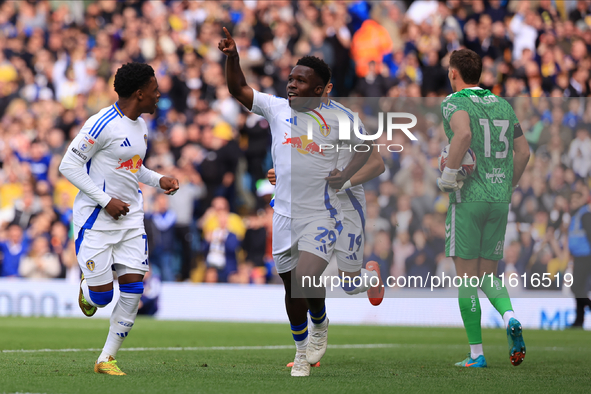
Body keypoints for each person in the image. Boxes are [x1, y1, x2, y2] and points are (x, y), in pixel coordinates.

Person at [219, 27, 373, 377]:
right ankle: (315, 328)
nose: (291, 85)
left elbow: (368, 153)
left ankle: (302, 355)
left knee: (304, 278)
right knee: (293, 288)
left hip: (322, 213)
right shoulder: (276, 109)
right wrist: (233, 57)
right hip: (284, 213)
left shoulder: (343, 119)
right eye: (290, 79)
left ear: (320, 90)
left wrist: (345, 174)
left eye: (300, 81)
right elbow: (238, 89)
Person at [58, 62, 179, 375]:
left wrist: (158, 179)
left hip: (130, 218)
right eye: (154, 91)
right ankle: (88, 288)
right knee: (101, 298)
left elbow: (132, 166)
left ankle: (106, 358)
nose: (158, 95)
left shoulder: (141, 125)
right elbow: (68, 166)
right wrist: (105, 200)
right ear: (139, 94)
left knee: (134, 289)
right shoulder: (101, 124)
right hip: (97, 219)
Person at [436, 49, 530, 368]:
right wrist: (509, 184)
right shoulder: (503, 104)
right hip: (499, 198)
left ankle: (477, 355)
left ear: (453, 73)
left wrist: (449, 175)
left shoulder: (454, 101)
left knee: (466, 278)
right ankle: (510, 317)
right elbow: (524, 152)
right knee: (489, 274)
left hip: (468, 198)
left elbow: (463, 134)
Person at [267, 81, 386, 306]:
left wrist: (344, 182)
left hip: (346, 203)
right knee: (302, 274)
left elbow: (377, 165)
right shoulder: (295, 118)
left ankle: (370, 277)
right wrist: (279, 174)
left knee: (350, 285)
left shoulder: (345, 120)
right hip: (312, 206)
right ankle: (313, 329)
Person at [568, 190, 591, 327]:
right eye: (572, 201)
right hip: (578, 256)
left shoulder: (585, 215)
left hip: (585, 256)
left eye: (576, 200)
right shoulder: (576, 215)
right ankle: (579, 320)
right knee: (579, 288)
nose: (573, 203)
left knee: (575, 287)